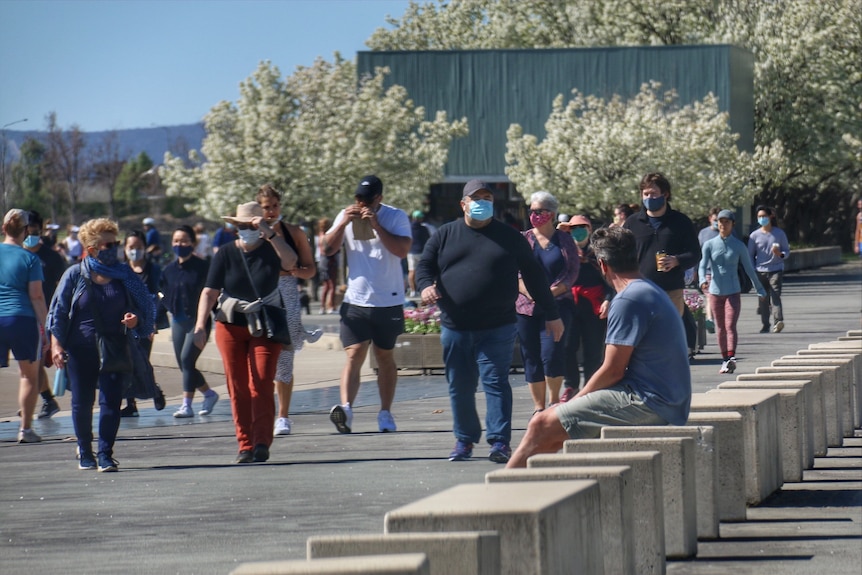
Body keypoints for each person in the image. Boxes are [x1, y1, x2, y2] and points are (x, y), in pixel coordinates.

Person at [506, 226, 692, 468]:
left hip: (650, 401)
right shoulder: (647, 289)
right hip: (668, 399)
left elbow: (613, 370)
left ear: (602, 265)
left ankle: (496, 500)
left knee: (541, 424)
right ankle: (529, 494)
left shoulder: (628, 299)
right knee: (552, 434)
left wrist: (574, 402)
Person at [416, 180, 564, 463]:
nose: (482, 202)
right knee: (459, 385)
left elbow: (534, 276)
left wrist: (552, 313)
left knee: (495, 381)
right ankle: (464, 440)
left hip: (498, 326)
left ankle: (499, 442)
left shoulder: (510, 237)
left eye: (487, 197)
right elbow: (425, 266)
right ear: (463, 204)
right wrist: (425, 286)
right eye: (476, 198)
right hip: (455, 326)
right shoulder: (445, 235)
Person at [193, 201, 297, 463]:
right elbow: (210, 291)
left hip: (264, 323)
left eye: (250, 225)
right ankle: (245, 444)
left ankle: (262, 441)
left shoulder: (272, 249)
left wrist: (268, 232)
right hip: (230, 323)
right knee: (237, 386)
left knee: (261, 381)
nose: (245, 229)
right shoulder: (226, 253)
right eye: (240, 225)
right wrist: (200, 325)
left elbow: (291, 262)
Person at [48, 218, 155, 471]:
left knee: (111, 401)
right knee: (82, 402)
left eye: (116, 243)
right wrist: (56, 346)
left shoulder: (125, 276)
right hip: (80, 348)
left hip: (115, 347)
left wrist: (135, 320)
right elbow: (59, 313)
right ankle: (85, 451)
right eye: (109, 244)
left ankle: (105, 453)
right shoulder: (75, 274)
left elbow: (145, 307)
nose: (115, 248)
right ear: (93, 248)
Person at [322, 175, 411, 434]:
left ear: (379, 199)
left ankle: (385, 413)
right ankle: (346, 409)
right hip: (356, 300)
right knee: (354, 353)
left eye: (366, 199)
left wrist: (376, 225)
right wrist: (342, 225)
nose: (360, 203)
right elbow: (326, 249)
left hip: (388, 300)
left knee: (384, 356)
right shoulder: (345, 215)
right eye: (357, 198)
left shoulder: (395, 216)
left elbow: (402, 250)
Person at [256, 184, 318, 436]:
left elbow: (310, 268)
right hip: (261, 293)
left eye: (274, 206)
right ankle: (263, 412)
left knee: (285, 355)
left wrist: (298, 272)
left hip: (287, 290)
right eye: (265, 207)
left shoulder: (294, 233)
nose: (270, 212)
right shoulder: (253, 233)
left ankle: (283, 415)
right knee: (261, 354)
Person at [515, 192, 579, 413]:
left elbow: (571, 272)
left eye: (539, 211)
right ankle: (538, 407)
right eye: (531, 211)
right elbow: (515, 273)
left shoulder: (565, 240)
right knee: (530, 356)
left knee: (551, 354)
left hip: (558, 305)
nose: (534, 215)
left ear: (550, 213)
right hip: (526, 308)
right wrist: (528, 291)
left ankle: (553, 402)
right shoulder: (523, 239)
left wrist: (549, 293)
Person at [160, 225, 220, 418]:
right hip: (178, 320)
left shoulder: (203, 267)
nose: (180, 244)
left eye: (184, 240)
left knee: (187, 359)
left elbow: (213, 293)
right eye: (176, 241)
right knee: (184, 364)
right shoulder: (168, 270)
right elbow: (162, 295)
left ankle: (186, 405)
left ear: (193, 243)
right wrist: (153, 320)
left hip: (198, 320)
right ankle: (209, 394)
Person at [1, 209, 49, 444]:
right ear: (25, 231)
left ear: (3, 229)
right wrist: (47, 327)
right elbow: (37, 296)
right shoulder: (30, 258)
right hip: (22, 318)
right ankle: (25, 429)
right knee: (28, 376)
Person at [623, 172, 700, 317]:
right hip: (640, 290)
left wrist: (677, 260)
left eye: (653, 193)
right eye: (645, 194)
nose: (649, 198)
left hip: (671, 291)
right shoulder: (632, 223)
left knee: (670, 336)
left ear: (665, 194)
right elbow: (623, 255)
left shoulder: (681, 221)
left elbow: (695, 253)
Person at [699, 210, 766, 374]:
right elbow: (702, 265)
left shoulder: (738, 246)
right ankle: (724, 360)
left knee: (730, 325)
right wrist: (702, 280)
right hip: (715, 291)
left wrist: (760, 288)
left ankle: (731, 358)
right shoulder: (710, 244)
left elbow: (750, 269)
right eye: (720, 222)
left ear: (732, 224)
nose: (722, 225)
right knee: (720, 327)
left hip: (733, 291)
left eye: (726, 222)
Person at [556, 215, 611, 402]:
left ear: (589, 229)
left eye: (582, 227)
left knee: (593, 349)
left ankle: (591, 385)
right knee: (567, 347)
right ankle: (571, 384)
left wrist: (609, 299)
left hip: (593, 305)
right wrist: (559, 233)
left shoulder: (599, 253)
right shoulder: (564, 252)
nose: (578, 231)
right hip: (569, 304)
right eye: (573, 228)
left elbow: (611, 279)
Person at [23, 210, 67, 419]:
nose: (31, 235)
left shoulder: (52, 257)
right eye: (27, 231)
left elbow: (63, 286)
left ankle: (48, 400)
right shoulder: (15, 253)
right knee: (29, 365)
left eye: (35, 231)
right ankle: (36, 399)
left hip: (45, 314)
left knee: (35, 363)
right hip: (22, 316)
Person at [120, 230, 166, 417]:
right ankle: (130, 403)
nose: (135, 251)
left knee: (143, 361)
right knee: (128, 362)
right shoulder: (121, 271)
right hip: (127, 322)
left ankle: (154, 390)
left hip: (145, 323)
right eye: (131, 247)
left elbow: (159, 297)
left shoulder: (153, 270)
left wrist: (153, 322)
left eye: (138, 247)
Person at [748, 205, 790, 334]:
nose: (762, 219)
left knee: (775, 295)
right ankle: (765, 324)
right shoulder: (754, 236)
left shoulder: (779, 233)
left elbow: (786, 251)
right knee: (763, 298)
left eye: (764, 216)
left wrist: (779, 254)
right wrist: (752, 271)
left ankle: (778, 321)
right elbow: (749, 255)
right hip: (760, 270)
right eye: (759, 217)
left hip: (775, 269)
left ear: (770, 216)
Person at [698, 207, 722, 334]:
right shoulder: (703, 233)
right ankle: (709, 319)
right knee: (710, 296)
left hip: (723, 272)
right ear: (710, 219)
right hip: (707, 271)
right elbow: (697, 252)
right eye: (715, 220)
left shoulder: (726, 233)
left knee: (717, 298)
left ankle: (715, 319)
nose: (718, 223)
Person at [315, 217, 339, 314]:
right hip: (330, 260)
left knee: (326, 286)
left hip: (322, 260)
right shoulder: (327, 236)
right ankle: (331, 306)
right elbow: (330, 249)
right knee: (332, 285)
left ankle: (322, 307)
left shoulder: (320, 236)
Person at [407, 210, 433, 298]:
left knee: (411, 272)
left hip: (411, 252)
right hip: (421, 252)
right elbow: (428, 239)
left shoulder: (408, 228)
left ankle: (413, 291)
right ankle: (422, 289)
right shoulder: (424, 228)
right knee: (423, 271)